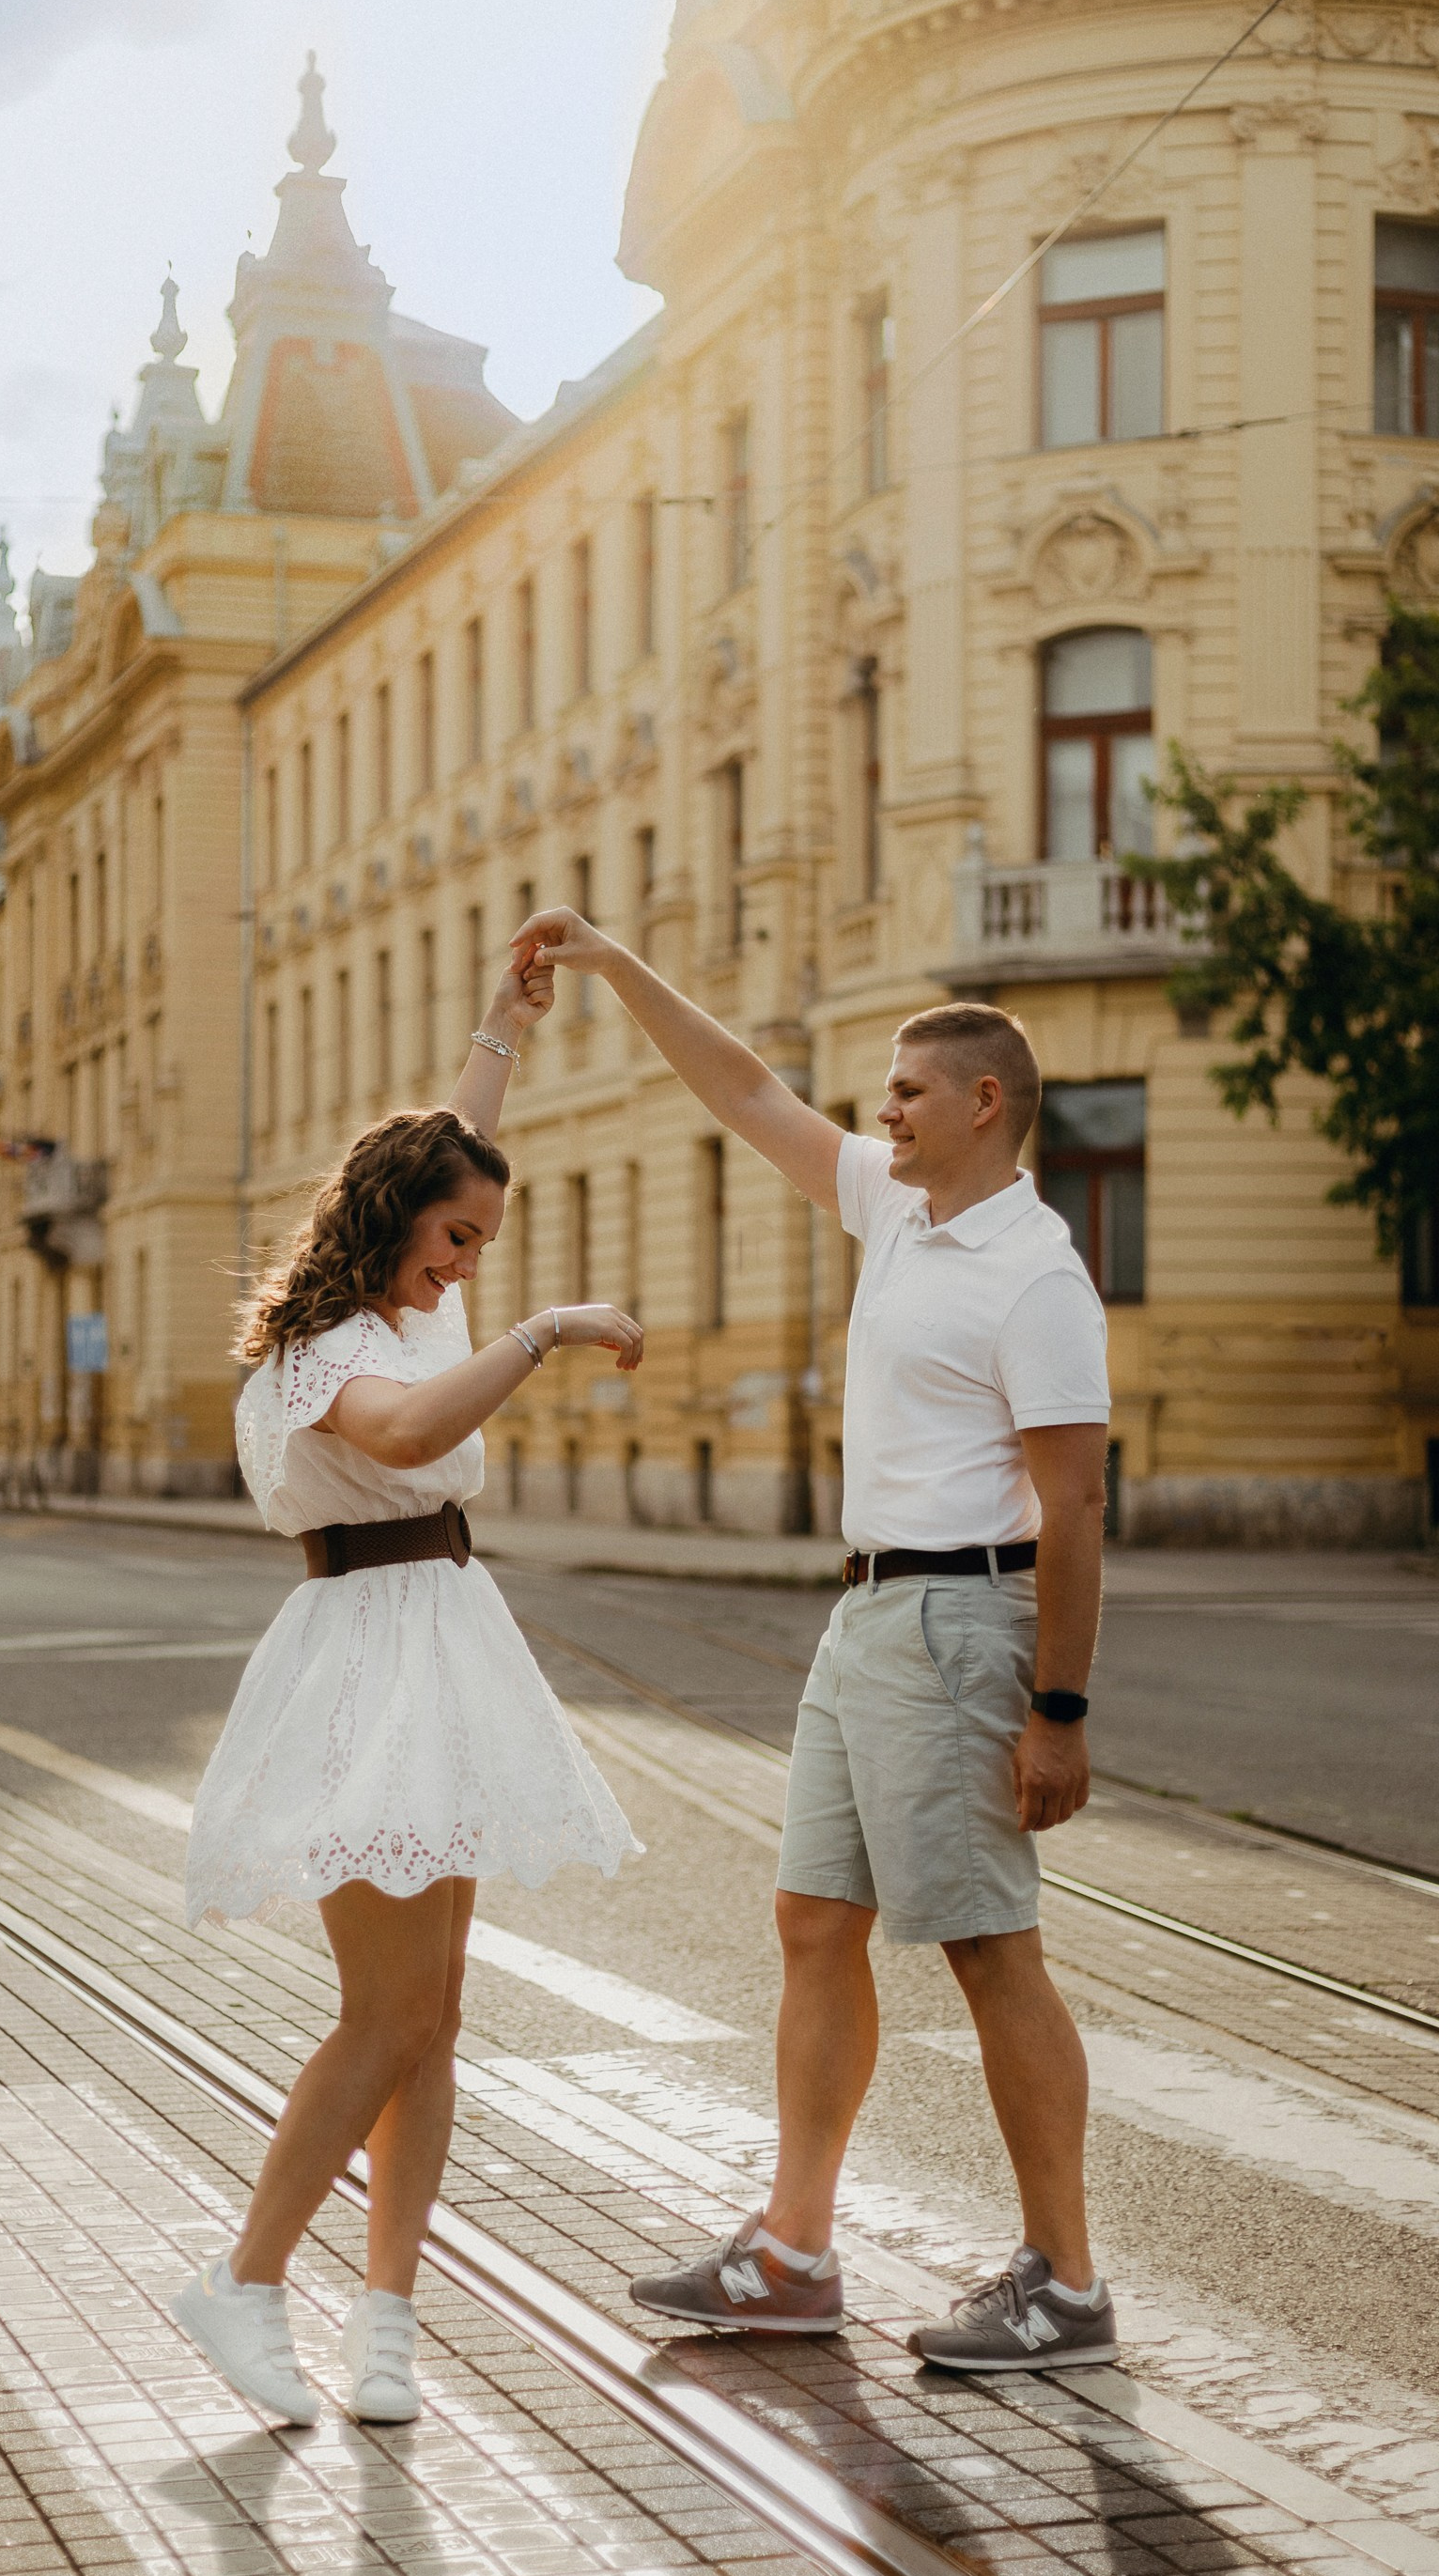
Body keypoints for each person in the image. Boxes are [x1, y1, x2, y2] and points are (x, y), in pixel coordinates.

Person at [510, 907, 1116, 2372]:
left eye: (908, 1092)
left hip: (966, 1616)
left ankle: (1070, 2284)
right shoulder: (898, 1208)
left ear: (983, 1106)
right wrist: (607, 963)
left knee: (986, 1946)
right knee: (811, 1922)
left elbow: (1078, 1502)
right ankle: (792, 2253)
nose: (881, 1113)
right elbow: (744, 1091)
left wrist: (1060, 1708)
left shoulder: (1035, 1272)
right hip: (866, 1614)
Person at [171, 959, 642, 2427]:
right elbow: (415, 1424)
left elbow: (456, 1136)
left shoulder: (417, 1307)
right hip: (365, 1658)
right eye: (457, 1237)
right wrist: (547, 1327)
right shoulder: (326, 1356)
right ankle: (243, 2284)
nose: (471, 1263)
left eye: (488, 1247)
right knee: (380, 2017)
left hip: (443, 1645)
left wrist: (512, 1018)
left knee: (434, 2016)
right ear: (393, 1222)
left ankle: (387, 2322)